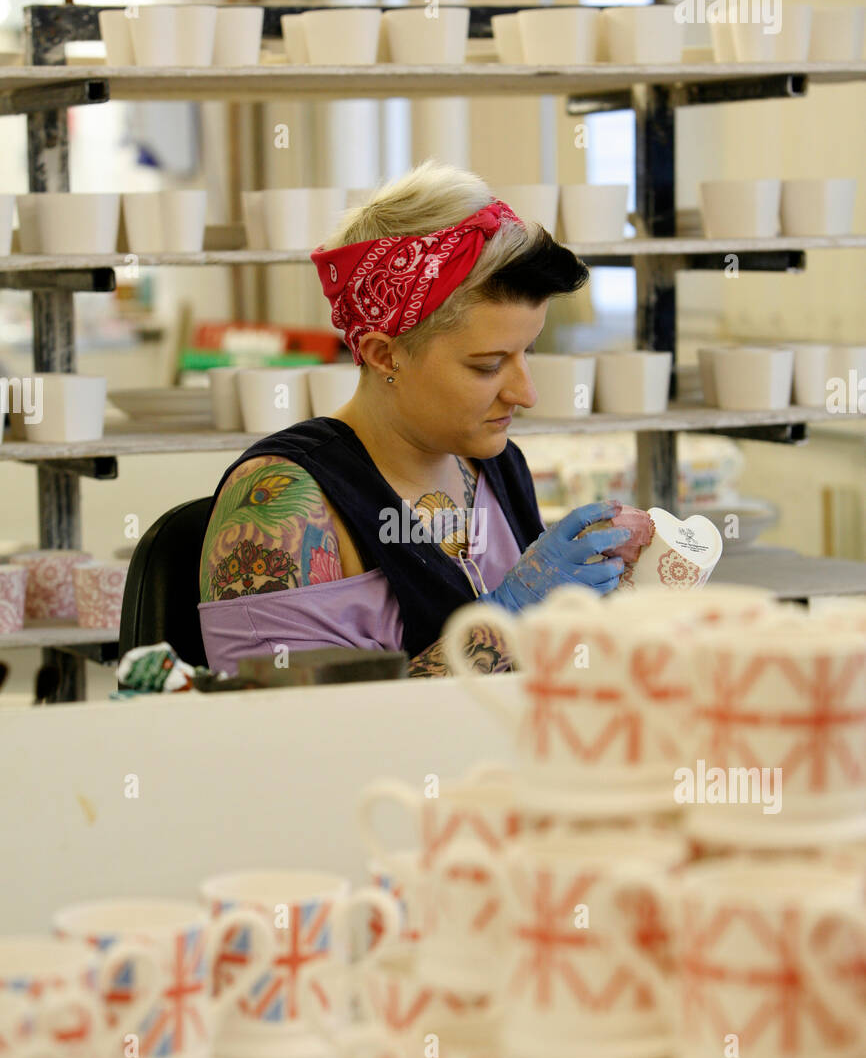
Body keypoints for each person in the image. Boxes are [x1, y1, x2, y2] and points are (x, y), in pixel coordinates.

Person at [198, 160, 631, 678]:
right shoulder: (282, 503)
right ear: (384, 355)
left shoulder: (492, 463)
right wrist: (509, 619)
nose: (526, 393)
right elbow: (297, 733)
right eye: (488, 365)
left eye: (527, 353)